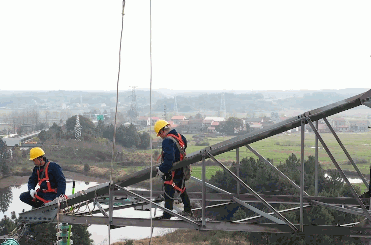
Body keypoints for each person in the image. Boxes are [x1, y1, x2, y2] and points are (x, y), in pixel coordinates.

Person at [154, 120, 193, 219]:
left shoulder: (167, 140)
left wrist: (161, 169)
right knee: (182, 188)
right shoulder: (180, 136)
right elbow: (183, 148)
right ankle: (188, 210)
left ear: (163, 131)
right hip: (181, 168)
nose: (161, 136)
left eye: (160, 134)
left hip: (173, 170)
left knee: (168, 188)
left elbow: (169, 160)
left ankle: (167, 214)